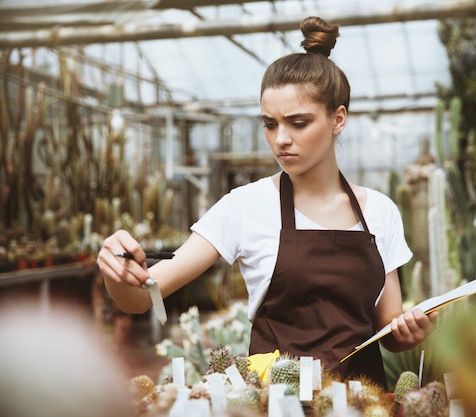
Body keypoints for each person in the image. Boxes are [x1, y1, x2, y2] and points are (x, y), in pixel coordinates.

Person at [97, 16, 437, 388]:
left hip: (364, 402)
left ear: (338, 119)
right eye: (270, 124)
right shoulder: (246, 205)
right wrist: (117, 271)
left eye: (298, 122)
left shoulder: (381, 212)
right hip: (276, 402)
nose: (280, 140)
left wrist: (408, 331)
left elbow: (386, 328)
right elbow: (141, 297)